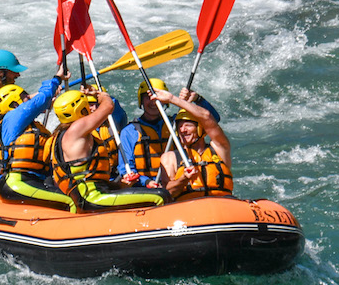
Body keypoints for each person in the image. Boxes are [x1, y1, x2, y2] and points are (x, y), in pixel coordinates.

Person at [49, 88, 184, 212]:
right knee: (160, 196)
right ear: (80, 109)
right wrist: (101, 95)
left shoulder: (62, 134)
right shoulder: (77, 129)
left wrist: (121, 185)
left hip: (89, 193)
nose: (90, 110)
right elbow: (108, 106)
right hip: (90, 197)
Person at [0, 65, 74, 209]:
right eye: (26, 98)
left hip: (33, 180)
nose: (29, 99)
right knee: (71, 200)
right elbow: (39, 101)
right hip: (17, 182)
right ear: (13, 103)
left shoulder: (24, 125)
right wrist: (57, 79)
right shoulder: (13, 117)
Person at [118, 78, 222, 188]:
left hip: (178, 183)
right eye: (147, 97)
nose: (153, 101)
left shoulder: (177, 125)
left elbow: (213, 120)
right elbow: (126, 169)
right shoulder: (129, 132)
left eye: (156, 96)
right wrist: (146, 182)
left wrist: (197, 99)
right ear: (141, 101)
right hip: (147, 188)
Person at [156, 88, 233, 201]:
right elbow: (168, 193)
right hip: (189, 210)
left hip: (222, 205)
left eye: (188, 125)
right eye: (180, 126)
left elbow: (207, 116)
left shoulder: (219, 148)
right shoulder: (170, 158)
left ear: (200, 128)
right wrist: (183, 179)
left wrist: (172, 99)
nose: (183, 130)